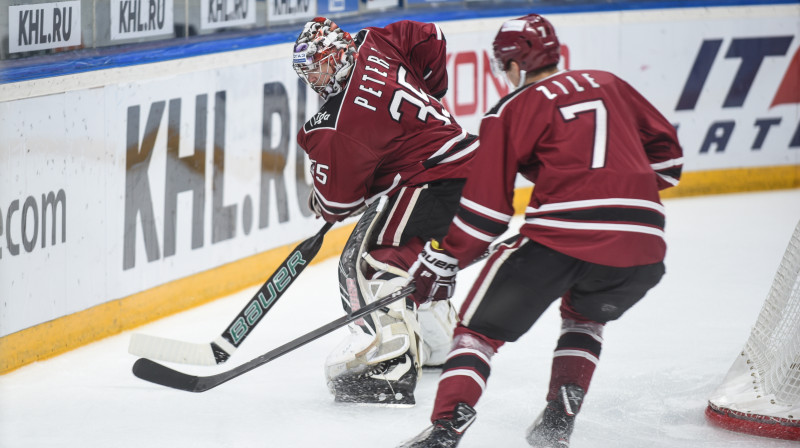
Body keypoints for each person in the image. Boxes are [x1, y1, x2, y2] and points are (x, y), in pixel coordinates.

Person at [399, 13, 683, 447]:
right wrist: (621, 187)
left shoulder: (511, 110)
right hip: (643, 247)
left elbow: (488, 212)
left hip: (559, 239)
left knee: (477, 333)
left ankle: (444, 430)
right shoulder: (610, 83)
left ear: (513, 65)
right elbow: (668, 159)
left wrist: (444, 257)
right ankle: (557, 422)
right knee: (584, 321)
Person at [292, 17, 478, 406]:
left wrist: (321, 201)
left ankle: (387, 364)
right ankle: (438, 342)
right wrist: (432, 91)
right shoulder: (376, 41)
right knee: (416, 255)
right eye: (307, 72)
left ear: (337, 54)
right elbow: (431, 36)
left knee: (373, 264)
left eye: (319, 66)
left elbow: (339, 203)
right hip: (470, 163)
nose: (315, 79)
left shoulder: (335, 122)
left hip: (437, 178)